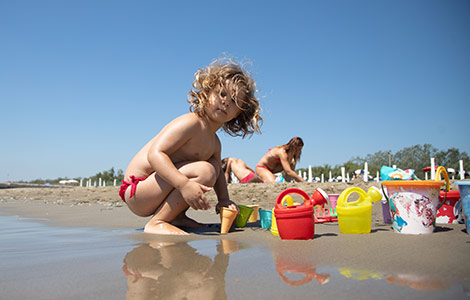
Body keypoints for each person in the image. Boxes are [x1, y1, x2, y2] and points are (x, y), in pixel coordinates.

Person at [119, 58, 262, 235]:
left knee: (213, 168)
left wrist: (224, 199)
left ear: (238, 113)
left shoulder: (215, 142)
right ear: (207, 92)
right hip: (137, 190)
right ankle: (158, 222)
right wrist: (184, 184)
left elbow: (218, 175)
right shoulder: (191, 123)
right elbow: (155, 154)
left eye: (233, 101)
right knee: (205, 170)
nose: (225, 102)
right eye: (221, 94)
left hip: (154, 192)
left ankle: (175, 216)